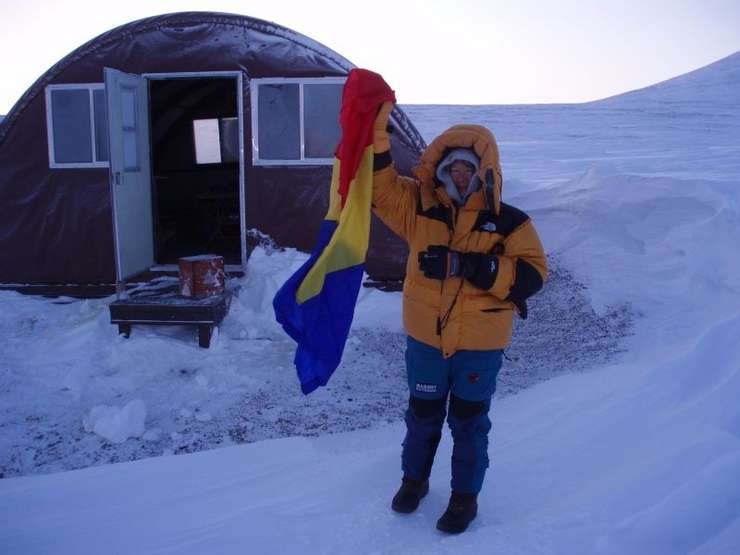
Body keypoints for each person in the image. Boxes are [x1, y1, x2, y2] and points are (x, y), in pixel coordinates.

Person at [371, 102, 547, 534]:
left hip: (480, 343)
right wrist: (376, 131)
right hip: (427, 339)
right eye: (453, 167)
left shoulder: (509, 222)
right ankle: (414, 482)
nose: (461, 175)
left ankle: (464, 498)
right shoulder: (419, 208)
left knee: (469, 423)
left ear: (485, 171)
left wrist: (471, 266)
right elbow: (379, 190)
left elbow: (533, 274)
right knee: (422, 415)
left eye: (470, 168)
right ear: (442, 171)